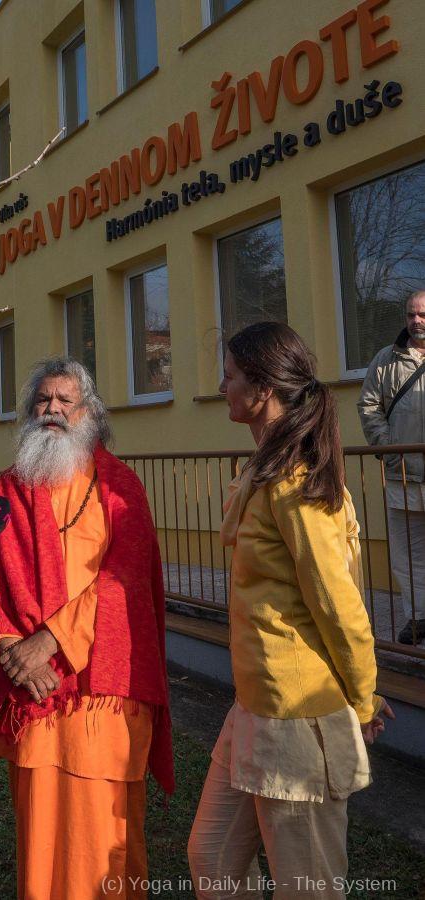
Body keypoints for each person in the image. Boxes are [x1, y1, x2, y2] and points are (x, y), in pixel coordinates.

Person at [187, 323, 394, 900]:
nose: (221, 386)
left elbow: (340, 605)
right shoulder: (264, 471)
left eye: (229, 375)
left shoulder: (298, 485)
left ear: (262, 389)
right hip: (254, 707)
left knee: (309, 888)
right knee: (212, 859)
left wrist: (363, 700)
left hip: (298, 718)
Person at [0, 357, 174, 900]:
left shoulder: (121, 488)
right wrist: (11, 647)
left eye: (66, 401)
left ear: (90, 414)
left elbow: (126, 578)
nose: (53, 410)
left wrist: (51, 640)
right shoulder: (6, 491)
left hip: (103, 691)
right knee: (40, 838)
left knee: (103, 843)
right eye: (43, 400)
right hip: (35, 691)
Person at [358, 289, 425, 645]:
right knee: (408, 555)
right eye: (411, 314)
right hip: (403, 476)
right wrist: (388, 449)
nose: (416, 321)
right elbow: (369, 406)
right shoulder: (386, 359)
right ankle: (419, 617)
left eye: (423, 314)